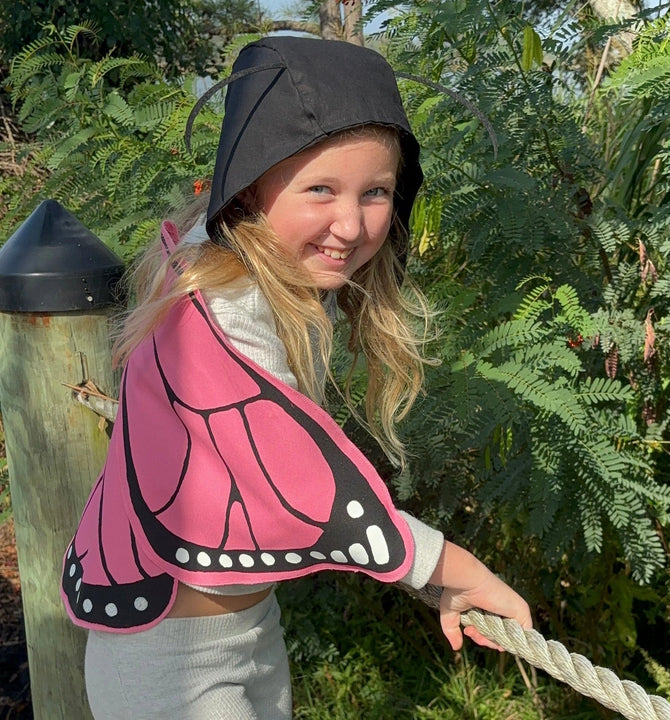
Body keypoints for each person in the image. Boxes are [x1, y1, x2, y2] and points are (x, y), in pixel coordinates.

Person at [61, 36, 532, 719]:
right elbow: (296, 479)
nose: (351, 224)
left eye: (376, 192)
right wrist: (450, 569)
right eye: (321, 189)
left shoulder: (244, 254)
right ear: (251, 186)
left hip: (250, 627)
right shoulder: (222, 302)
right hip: (169, 663)